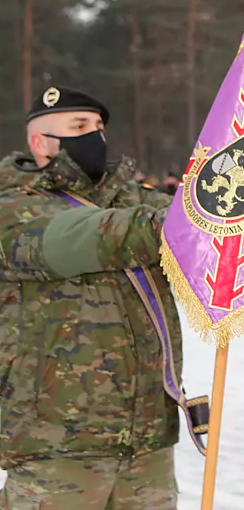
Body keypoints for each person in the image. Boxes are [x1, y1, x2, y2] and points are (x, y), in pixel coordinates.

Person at [0, 86, 184, 508]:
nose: (95, 137)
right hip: (56, 446)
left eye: (99, 127)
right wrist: (189, 218)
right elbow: (86, 237)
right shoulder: (13, 207)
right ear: (40, 142)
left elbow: (196, 230)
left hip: (148, 443)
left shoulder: (134, 198)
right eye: (79, 127)